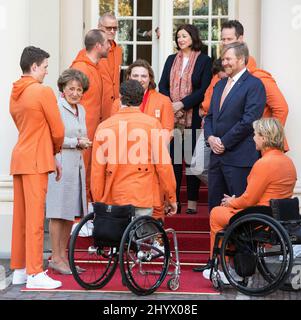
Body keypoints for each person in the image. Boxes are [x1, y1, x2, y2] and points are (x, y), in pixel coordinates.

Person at [202, 118, 297, 280]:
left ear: (265, 138)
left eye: (256, 135)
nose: (253, 138)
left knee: (217, 213)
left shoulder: (264, 163)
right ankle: (232, 266)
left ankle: (223, 268)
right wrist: (235, 201)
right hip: (276, 218)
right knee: (227, 213)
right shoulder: (288, 162)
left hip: (259, 220)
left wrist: (231, 201)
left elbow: (248, 200)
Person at [10, 46, 64, 289]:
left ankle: (21, 270)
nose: (45, 72)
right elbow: (58, 130)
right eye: (44, 68)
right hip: (35, 160)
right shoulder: (42, 91)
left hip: (20, 157)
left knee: (21, 219)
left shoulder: (15, 92)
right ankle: (34, 273)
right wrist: (54, 152)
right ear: (34, 67)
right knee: (34, 220)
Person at [91, 79, 177, 220]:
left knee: (117, 240)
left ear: (120, 97)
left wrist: (99, 200)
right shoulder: (152, 124)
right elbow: (164, 166)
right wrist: (171, 196)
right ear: (142, 97)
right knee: (141, 238)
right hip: (142, 194)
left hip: (114, 195)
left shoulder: (104, 127)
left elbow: (97, 170)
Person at [204, 41, 266, 212]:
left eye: (228, 59)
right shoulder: (220, 85)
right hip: (217, 159)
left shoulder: (255, 85)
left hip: (239, 159)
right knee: (215, 210)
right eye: (223, 59)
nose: (224, 63)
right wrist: (210, 138)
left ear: (242, 59)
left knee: (240, 212)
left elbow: (249, 121)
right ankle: (217, 240)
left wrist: (224, 142)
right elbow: (209, 117)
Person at [111, 59, 174, 221]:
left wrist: (156, 151)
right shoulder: (118, 103)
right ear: (128, 78)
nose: (140, 79)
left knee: (156, 203)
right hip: (126, 161)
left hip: (153, 160)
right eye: (135, 75)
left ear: (150, 78)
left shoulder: (163, 100)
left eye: (144, 76)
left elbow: (168, 130)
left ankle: (157, 241)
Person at [159, 24, 212, 214]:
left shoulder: (205, 61)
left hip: (193, 118)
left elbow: (203, 89)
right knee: (173, 160)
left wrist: (182, 104)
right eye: (178, 36)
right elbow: (162, 85)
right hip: (172, 118)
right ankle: (174, 201)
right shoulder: (171, 59)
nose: (181, 39)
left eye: (185, 36)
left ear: (193, 37)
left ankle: (191, 202)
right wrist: (171, 105)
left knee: (190, 161)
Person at [46, 69, 91, 275]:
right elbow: (51, 137)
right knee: (58, 213)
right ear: (62, 89)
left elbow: (82, 133)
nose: (75, 93)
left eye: (79, 89)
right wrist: (76, 143)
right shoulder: (56, 108)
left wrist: (84, 142)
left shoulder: (81, 109)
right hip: (60, 165)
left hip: (77, 166)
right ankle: (55, 257)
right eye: (71, 89)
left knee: (68, 214)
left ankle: (63, 257)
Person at [71, 29, 111, 202]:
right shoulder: (80, 68)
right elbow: (69, 100)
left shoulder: (95, 67)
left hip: (94, 131)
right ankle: (79, 219)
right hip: (82, 132)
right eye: (107, 43)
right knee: (81, 173)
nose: (111, 46)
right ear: (98, 46)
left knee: (89, 173)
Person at [202, 20, 257, 115]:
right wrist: (203, 108)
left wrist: (270, 129)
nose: (225, 43)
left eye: (229, 39)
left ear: (240, 39)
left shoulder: (246, 64)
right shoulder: (221, 63)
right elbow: (210, 91)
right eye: (223, 39)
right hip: (210, 119)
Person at [97, 12, 123, 121]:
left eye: (115, 28)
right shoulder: (91, 49)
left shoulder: (119, 50)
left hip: (115, 109)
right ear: (99, 28)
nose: (112, 31)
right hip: (97, 108)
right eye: (108, 28)